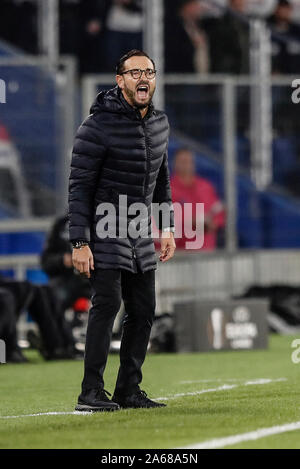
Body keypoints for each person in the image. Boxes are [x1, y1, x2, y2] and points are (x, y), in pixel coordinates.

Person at [68, 49, 176, 412]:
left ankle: (129, 389)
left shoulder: (160, 123)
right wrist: (80, 241)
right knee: (108, 304)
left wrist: (168, 227)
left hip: (141, 230)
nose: (143, 78)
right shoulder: (96, 126)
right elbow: (79, 187)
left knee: (144, 309)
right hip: (104, 227)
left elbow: (161, 179)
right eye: (134, 73)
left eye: (149, 72)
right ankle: (90, 392)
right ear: (120, 81)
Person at [171, 148, 225, 250]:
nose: (186, 165)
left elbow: (218, 211)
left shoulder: (205, 186)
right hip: (180, 252)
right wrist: (191, 222)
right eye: (182, 162)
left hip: (206, 251)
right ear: (175, 164)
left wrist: (214, 223)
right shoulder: (168, 189)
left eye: (189, 161)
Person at [268, 0, 300, 74]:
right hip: (274, 75)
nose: (283, 12)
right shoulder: (268, 29)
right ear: (276, 10)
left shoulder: (296, 30)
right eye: (281, 9)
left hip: (295, 75)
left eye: (286, 9)